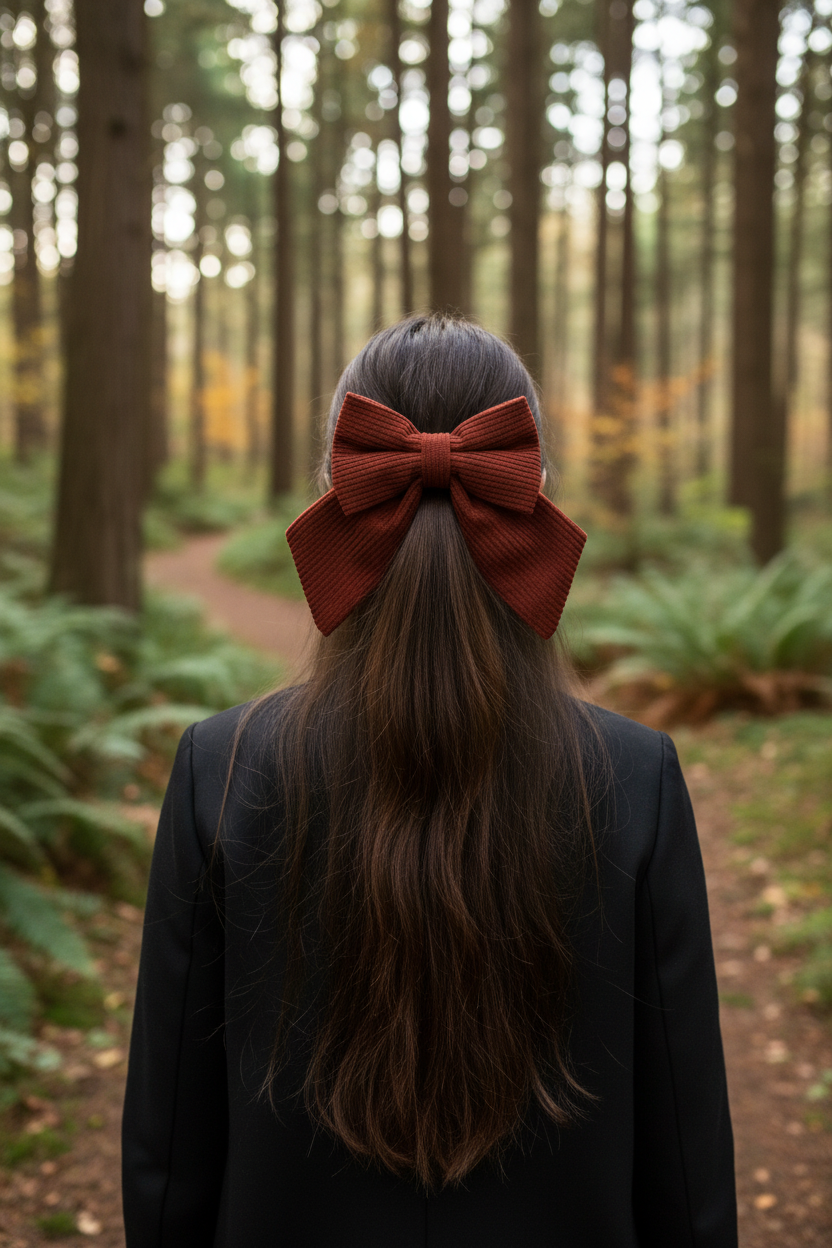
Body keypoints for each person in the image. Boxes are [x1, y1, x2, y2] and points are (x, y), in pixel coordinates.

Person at [122, 315, 737, 1247]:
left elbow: (170, 1151)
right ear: (534, 490)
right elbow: (685, 1163)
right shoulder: (637, 779)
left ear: (336, 491)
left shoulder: (220, 768)